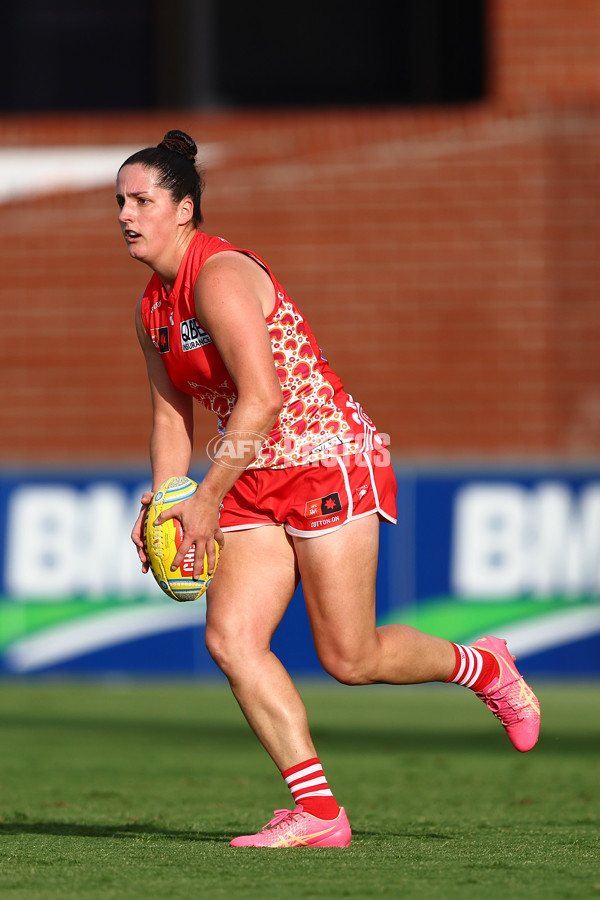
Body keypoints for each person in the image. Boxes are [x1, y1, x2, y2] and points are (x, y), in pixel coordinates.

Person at [120, 129, 540, 849]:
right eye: (119, 202)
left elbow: (264, 400)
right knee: (231, 640)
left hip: (325, 457)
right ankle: (318, 813)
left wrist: (207, 498)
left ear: (184, 208)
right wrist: (164, 500)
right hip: (248, 470)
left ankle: (486, 665)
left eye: (142, 200)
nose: (126, 215)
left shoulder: (217, 276)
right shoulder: (150, 310)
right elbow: (169, 417)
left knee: (351, 657)